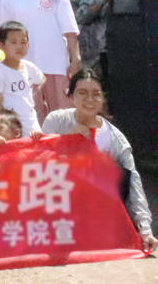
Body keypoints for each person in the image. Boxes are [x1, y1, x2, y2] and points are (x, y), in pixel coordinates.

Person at [41, 70, 156, 253]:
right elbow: (37, 163)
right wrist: (65, 140)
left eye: (96, 94)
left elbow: (134, 183)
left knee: (121, 173)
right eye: (82, 93)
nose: (90, 99)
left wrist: (145, 230)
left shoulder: (115, 139)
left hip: (97, 207)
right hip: (60, 202)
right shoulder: (56, 121)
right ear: (71, 96)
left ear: (103, 99)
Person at [0, 0, 80, 124]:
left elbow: (70, 30)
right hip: (24, 69)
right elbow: (4, 36)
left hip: (56, 65)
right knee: (33, 121)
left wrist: (75, 59)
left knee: (63, 118)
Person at [0, 20, 46, 137]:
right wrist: (2, 128)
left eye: (23, 42)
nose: (19, 47)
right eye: (13, 42)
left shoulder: (29, 66)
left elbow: (42, 78)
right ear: (1, 45)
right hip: (12, 128)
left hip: (32, 125)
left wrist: (35, 91)